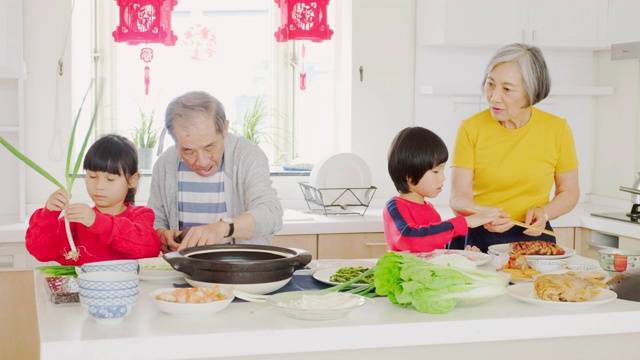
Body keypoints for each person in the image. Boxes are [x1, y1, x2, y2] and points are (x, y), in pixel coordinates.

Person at [450, 43, 580, 253]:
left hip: (534, 237)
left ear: (531, 93)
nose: (494, 96)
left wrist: (545, 213)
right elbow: (458, 197)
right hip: (478, 234)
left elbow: (569, 192)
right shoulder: (470, 128)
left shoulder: (557, 129)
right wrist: (483, 213)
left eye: (507, 89)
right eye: (490, 84)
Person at [148, 91, 283, 252]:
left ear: (225, 128)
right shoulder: (165, 164)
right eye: (188, 151)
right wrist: (162, 235)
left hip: (243, 271)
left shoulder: (247, 155)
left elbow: (270, 214)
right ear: (175, 141)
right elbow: (155, 221)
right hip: (186, 272)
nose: (202, 162)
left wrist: (223, 228)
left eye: (209, 146)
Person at [25, 134, 161, 265]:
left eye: (110, 179)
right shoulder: (75, 222)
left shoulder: (141, 215)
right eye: (92, 177)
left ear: (132, 180)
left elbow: (150, 248)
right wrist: (48, 214)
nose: (99, 186)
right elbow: (39, 251)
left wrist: (97, 221)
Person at [383, 126, 499, 253]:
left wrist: (463, 255)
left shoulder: (430, 209)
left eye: (443, 170)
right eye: (435, 171)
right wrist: (465, 222)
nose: (442, 178)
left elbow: (434, 252)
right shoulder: (395, 207)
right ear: (409, 175)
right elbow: (409, 238)